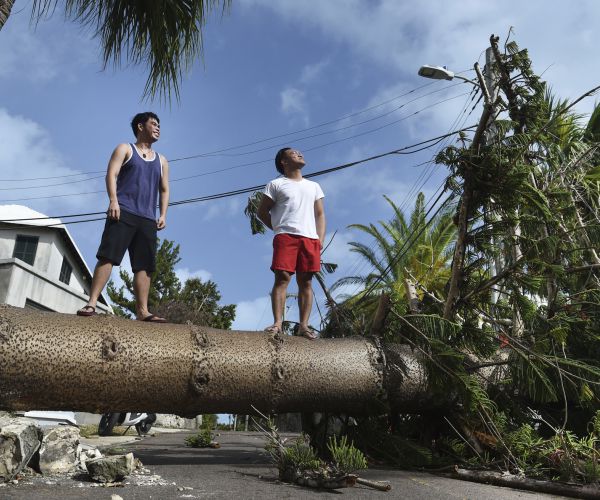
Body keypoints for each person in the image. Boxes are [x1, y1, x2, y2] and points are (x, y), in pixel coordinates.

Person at [77, 112, 170, 322]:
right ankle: (92, 303)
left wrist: (163, 213)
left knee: (144, 266)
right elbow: (111, 174)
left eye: (159, 125)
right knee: (108, 256)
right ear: (140, 126)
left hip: (147, 219)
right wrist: (113, 200)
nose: (158, 128)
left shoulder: (162, 161)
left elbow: (164, 189)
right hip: (122, 211)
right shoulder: (125, 148)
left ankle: (143, 311)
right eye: (153, 124)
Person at [258, 148, 326, 339]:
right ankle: (278, 323)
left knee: (306, 282)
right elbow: (262, 212)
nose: (299, 153)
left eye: (299, 152)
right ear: (283, 162)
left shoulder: (314, 186)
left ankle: (303, 326)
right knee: (282, 279)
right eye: (293, 153)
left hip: (310, 239)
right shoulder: (276, 184)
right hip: (285, 237)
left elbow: (320, 214)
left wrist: (319, 239)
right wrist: (278, 229)